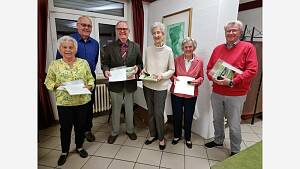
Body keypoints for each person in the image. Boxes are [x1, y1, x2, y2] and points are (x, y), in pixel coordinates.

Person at [205, 20, 258, 156]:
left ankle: (235, 149)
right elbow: (209, 68)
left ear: (240, 32)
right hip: (217, 92)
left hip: (236, 94)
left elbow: (252, 70)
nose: (231, 33)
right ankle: (218, 140)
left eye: (234, 30)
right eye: (228, 31)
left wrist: (232, 82)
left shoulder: (248, 47)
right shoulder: (217, 49)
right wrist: (213, 78)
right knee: (217, 119)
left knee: (234, 124)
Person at [45, 36, 95, 166]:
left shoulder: (83, 63)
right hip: (64, 103)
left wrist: (88, 86)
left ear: (75, 49)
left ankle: (79, 146)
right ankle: (64, 151)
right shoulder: (54, 64)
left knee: (80, 126)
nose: (68, 50)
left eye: (71, 47)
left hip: (82, 101)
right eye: (65, 47)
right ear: (60, 49)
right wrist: (58, 85)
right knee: (65, 128)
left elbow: (91, 79)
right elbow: (48, 82)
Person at [56, 15, 99, 142]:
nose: (86, 28)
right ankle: (75, 132)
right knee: (73, 108)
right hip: (72, 81)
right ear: (77, 26)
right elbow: (59, 61)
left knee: (88, 106)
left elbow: (94, 61)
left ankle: (87, 130)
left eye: (89, 26)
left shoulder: (95, 44)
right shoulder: (68, 42)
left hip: (90, 79)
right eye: (83, 25)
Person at [102, 21, 143, 144]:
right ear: (116, 31)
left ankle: (130, 130)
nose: (122, 31)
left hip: (130, 84)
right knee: (116, 109)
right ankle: (114, 132)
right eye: (119, 29)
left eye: (125, 28)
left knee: (130, 109)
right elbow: (105, 64)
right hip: (115, 84)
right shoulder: (109, 47)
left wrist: (138, 68)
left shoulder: (136, 46)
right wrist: (105, 71)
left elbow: (140, 63)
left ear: (128, 31)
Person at [141, 22, 175, 150]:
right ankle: (153, 134)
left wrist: (163, 75)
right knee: (150, 112)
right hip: (147, 84)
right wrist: (144, 71)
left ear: (163, 34)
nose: (156, 35)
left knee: (158, 113)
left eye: (158, 32)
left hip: (161, 86)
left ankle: (161, 138)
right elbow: (146, 66)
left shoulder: (168, 51)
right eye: (154, 33)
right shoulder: (148, 49)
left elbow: (172, 69)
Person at [169, 37, 204, 149]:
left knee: (188, 116)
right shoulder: (177, 59)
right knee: (177, 116)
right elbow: (171, 74)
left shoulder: (199, 62)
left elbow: (201, 77)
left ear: (194, 47)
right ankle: (177, 136)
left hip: (191, 94)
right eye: (185, 47)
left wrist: (197, 81)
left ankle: (188, 137)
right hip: (177, 93)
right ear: (182, 48)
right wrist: (173, 78)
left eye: (190, 47)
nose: (188, 49)